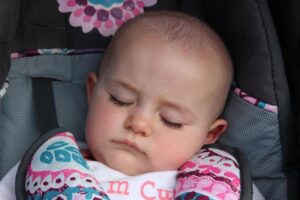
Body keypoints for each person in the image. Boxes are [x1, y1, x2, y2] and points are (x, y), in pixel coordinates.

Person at [0, 11, 264, 200]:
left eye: (170, 119)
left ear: (210, 134)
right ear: (93, 92)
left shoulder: (223, 183)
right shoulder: (47, 166)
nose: (138, 123)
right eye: (120, 99)